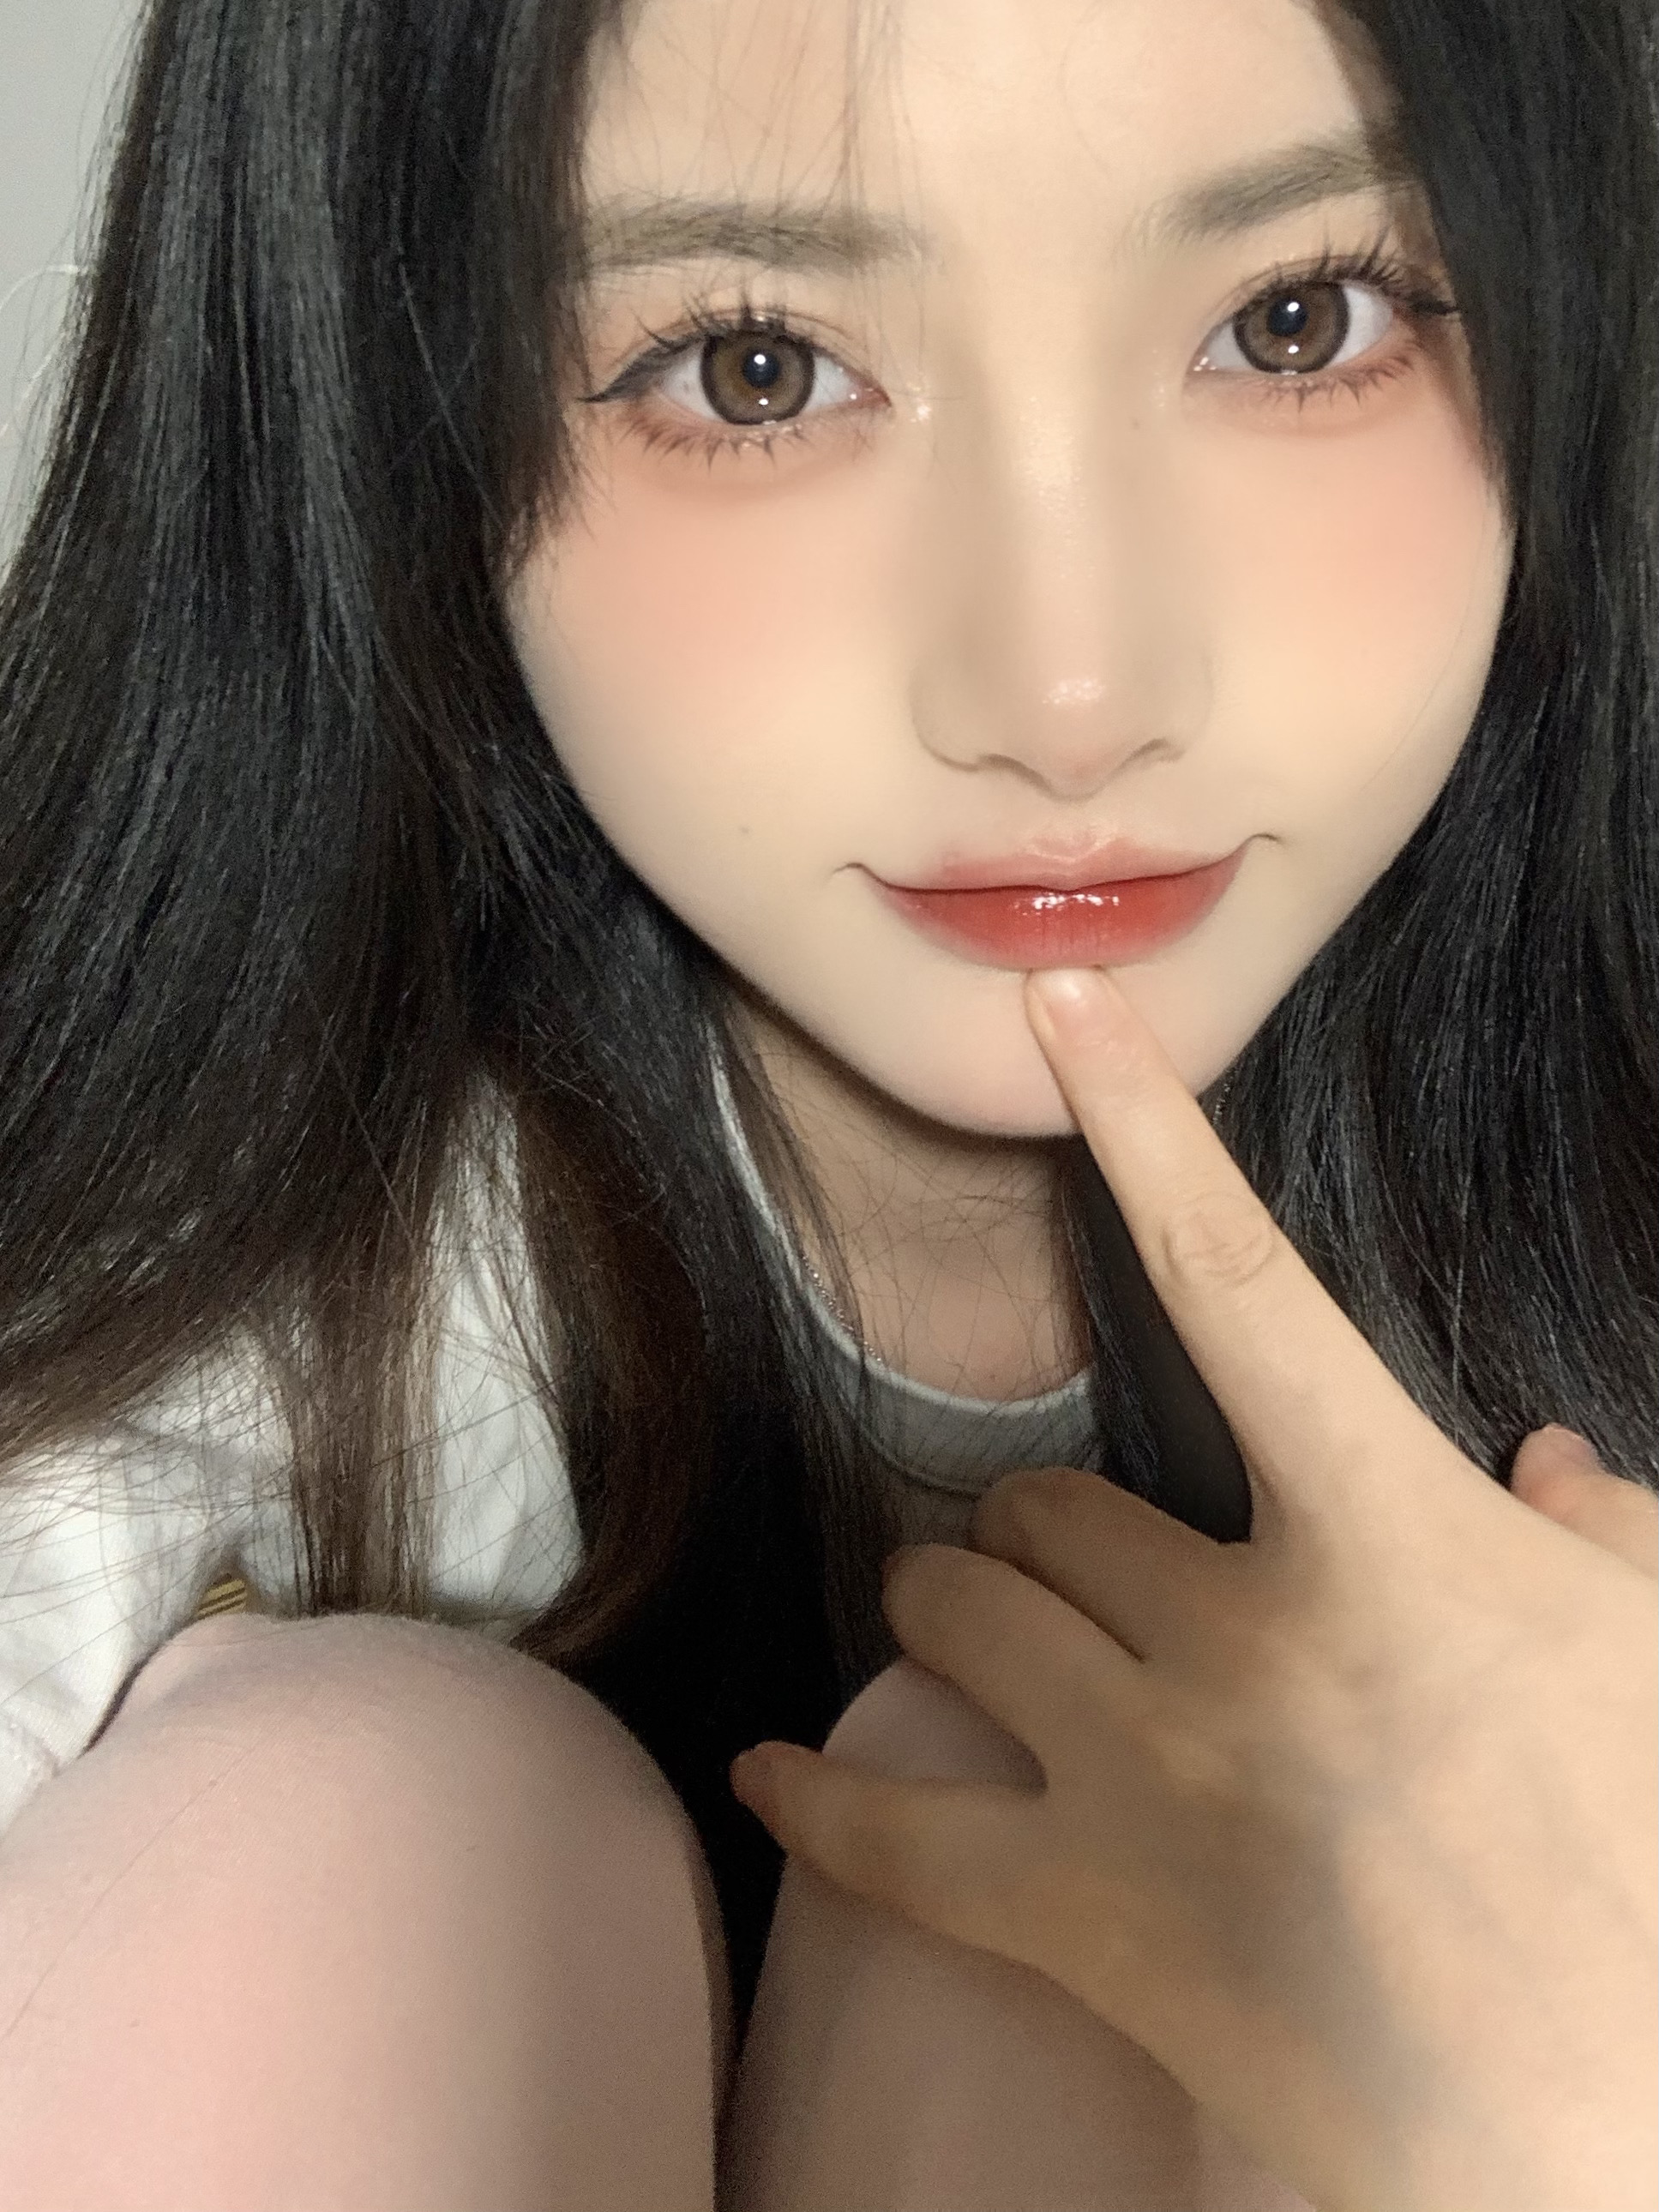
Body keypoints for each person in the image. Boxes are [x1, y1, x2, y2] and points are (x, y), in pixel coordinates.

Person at [0, 0, 1652, 2204]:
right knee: (339, 1842)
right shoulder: (184, 1382)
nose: (1066, 695)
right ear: (392, 407)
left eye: (1294, 321)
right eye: (754, 369)